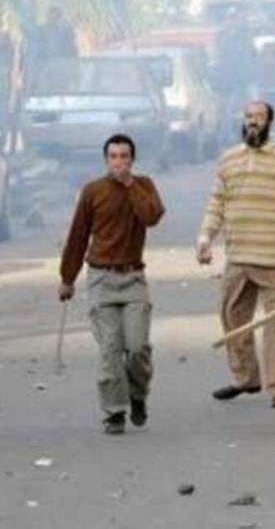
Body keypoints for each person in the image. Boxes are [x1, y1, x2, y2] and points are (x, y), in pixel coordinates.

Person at [198, 102, 275, 409]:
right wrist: (206, 237)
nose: (253, 122)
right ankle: (246, 377)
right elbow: (217, 203)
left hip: (274, 257)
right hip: (238, 256)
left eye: (259, 117)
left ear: (269, 123)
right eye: (249, 117)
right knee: (232, 318)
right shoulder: (229, 159)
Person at [59, 134, 165, 435]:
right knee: (110, 348)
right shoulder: (93, 191)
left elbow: (152, 216)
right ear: (106, 160)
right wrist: (67, 278)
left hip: (133, 277)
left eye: (124, 156)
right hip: (101, 278)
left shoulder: (144, 186)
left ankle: (137, 394)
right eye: (114, 156)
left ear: (132, 160)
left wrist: (130, 185)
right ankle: (114, 411)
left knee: (137, 347)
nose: (119, 162)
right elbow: (78, 235)